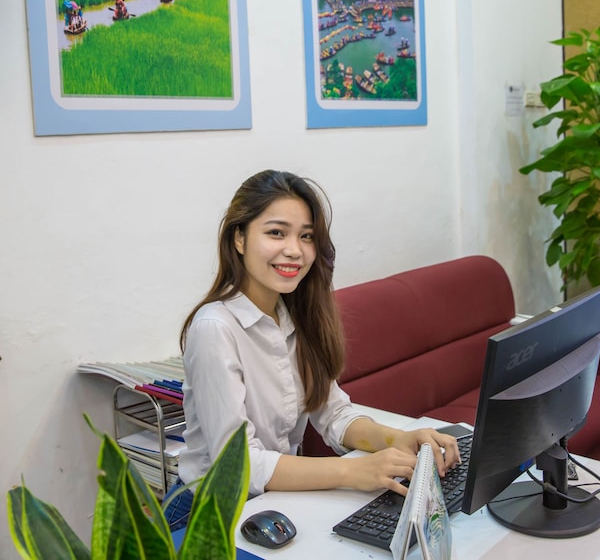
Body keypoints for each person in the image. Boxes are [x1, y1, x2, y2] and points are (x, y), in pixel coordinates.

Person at [162, 170, 461, 531]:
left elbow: (334, 414)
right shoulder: (215, 328)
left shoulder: (295, 314)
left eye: (306, 236)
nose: (294, 250)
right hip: (206, 512)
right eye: (276, 233)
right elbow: (239, 465)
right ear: (239, 238)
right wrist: (355, 471)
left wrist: (399, 439)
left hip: (273, 503)